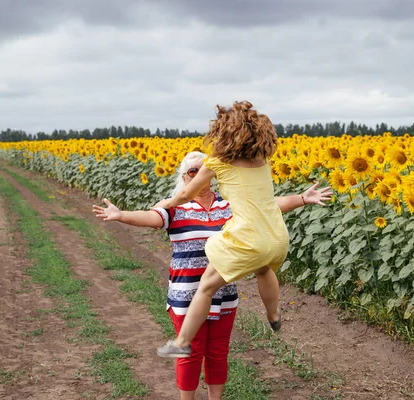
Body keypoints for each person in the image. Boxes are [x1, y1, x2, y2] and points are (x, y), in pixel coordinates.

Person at [93, 150, 332, 399]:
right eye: (192, 171)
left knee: (218, 352)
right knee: (191, 351)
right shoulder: (176, 206)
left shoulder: (227, 204)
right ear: (185, 178)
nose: (199, 175)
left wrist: (302, 198)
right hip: (186, 294)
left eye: (203, 170)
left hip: (224, 292)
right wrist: (121, 216)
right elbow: (152, 218)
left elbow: (269, 206)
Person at [156, 101, 324, 358]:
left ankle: (182, 342)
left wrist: (167, 203)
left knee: (206, 287)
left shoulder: (218, 163)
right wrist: (301, 197)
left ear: (224, 134)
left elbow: (186, 194)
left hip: (247, 240)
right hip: (276, 237)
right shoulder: (262, 162)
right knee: (263, 268)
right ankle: (274, 314)